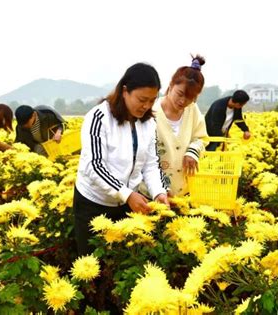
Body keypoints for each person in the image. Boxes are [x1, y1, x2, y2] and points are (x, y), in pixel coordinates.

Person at [74, 62, 169, 255]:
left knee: (122, 258)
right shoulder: (99, 117)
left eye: (152, 100)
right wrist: (126, 194)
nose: (147, 106)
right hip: (94, 203)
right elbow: (95, 165)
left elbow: (150, 164)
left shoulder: (148, 123)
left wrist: (159, 192)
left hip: (126, 202)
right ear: (125, 91)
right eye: (142, 99)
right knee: (92, 261)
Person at [153, 55, 208, 196]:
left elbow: (201, 138)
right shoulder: (152, 111)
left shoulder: (193, 110)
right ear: (171, 86)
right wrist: (159, 190)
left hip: (184, 189)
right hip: (153, 192)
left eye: (190, 97)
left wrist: (192, 151)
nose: (183, 101)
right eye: (180, 94)